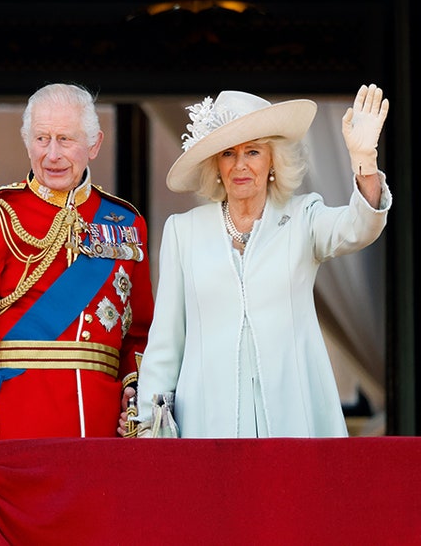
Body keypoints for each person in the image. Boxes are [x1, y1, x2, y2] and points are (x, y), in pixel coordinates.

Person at [132, 85, 391, 438]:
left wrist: (365, 161)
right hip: (207, 423)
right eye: (228, 153)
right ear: (216, 165)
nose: (240, 165)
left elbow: (359, 227)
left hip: (293, 419)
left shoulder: (303, 217)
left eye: (253, 151)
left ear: (272, 160)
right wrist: (150, 422)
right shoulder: (184, 231)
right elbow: (166, 339)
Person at [0, 83, 153, 440]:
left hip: (102, 429)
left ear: (94, 144)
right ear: (27, 142)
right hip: (17, 423)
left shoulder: (127, 223)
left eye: (65, 139)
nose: (52, 154)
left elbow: (140, 333)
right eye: (42, 139)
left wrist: (136, 404)